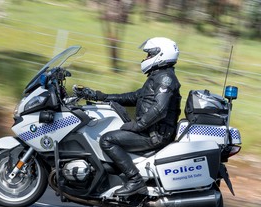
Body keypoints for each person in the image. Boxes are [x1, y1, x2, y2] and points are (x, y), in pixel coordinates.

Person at [73, 37, 181, 196]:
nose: (145, 59)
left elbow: (160, 109)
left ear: (161, 55)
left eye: (149, 55)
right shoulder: (158, 76)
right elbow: (134, 97)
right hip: (151, 130)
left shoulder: (166, 79)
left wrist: (138, 126)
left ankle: (135, 180)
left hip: (154, 135)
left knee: (107, 140)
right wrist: (100, 96)